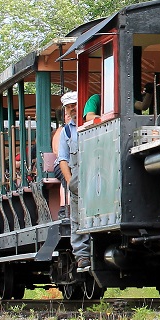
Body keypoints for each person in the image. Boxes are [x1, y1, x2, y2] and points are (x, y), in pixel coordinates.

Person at [56, 91, 92, 273]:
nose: (73, 108)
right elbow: (62, 159)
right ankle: (82, 255)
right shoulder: (67, 131)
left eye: (75, 104)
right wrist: (70, 181)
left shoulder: (92, 121)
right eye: (69, 106)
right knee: (77, 218)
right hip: (78, 174)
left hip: (95, 170)